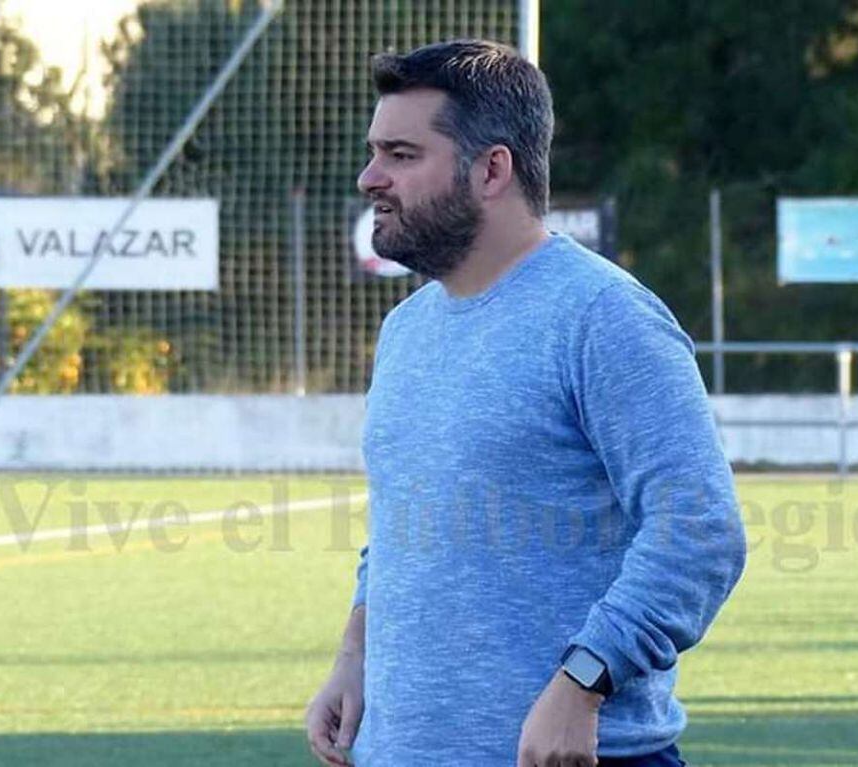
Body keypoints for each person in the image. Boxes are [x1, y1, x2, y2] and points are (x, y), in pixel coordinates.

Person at [305, 39, 746, 767]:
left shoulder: (603, 316)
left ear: (491, 169)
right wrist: (355, 654)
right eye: (374, 152)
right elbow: (404, 523)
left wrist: (584, 682)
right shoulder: (405, 330)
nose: (369, 177)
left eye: (401, 155)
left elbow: (698, 529)